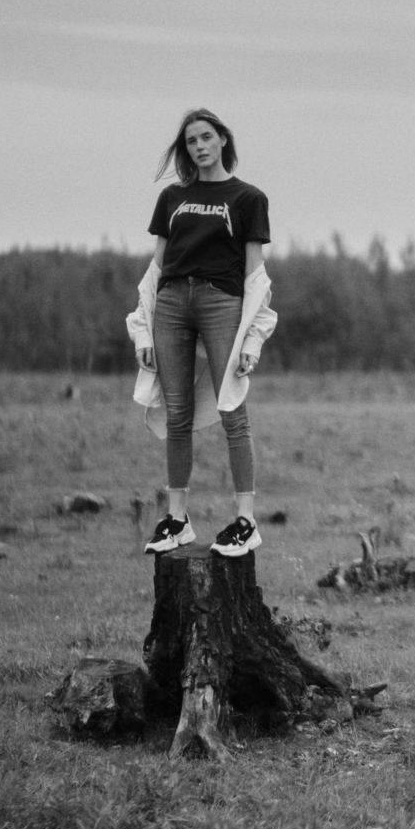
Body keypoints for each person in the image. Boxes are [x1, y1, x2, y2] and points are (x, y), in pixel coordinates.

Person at [125, 109, 278, 557]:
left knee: (233, 410)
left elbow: (256, 275)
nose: (199, 147)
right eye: (191, 141)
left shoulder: (248, 198)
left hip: (220, 300)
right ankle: (177, 519)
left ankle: (246, 522)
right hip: (172, 302)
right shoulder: (172, 197)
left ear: (223, 139)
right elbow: (155, 269)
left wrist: (253, 339)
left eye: (206, 137)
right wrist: (142, 331)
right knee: (177, 413)